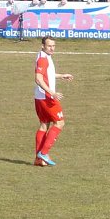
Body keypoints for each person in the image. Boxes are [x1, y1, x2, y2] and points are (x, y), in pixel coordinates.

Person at [34, 36, 74, 167]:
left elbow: (47, 74)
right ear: (42, 46)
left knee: (44, 125)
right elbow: (38, 79)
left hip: (39, 97)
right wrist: (52, 93)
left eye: (53, 46)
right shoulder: (43, 59)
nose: (52, 48)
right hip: (47, 97)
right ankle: (44, 153)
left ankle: (38, 159)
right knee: (59, 123)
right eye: (49, 46)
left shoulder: (43, 56)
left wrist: (61, 75)